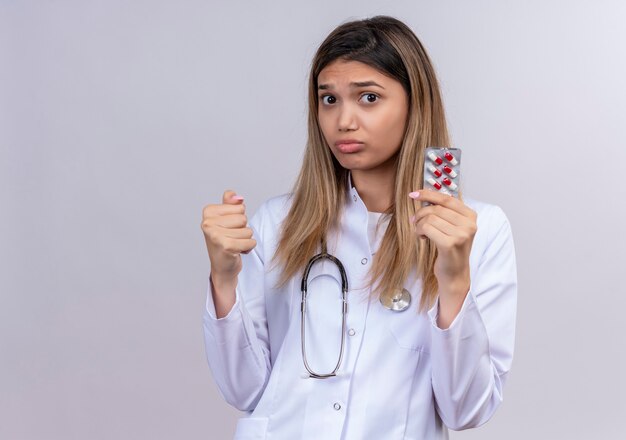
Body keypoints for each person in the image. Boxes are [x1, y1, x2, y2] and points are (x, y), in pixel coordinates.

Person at [200, 15, 517, 440]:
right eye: (329, 99)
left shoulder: (480, 231)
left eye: (368, 97)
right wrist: (224, 279)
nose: (344, 120)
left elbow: (465, 410)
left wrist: (455, 280)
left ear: (414, 103)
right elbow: (245, 390)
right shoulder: (277, 224)